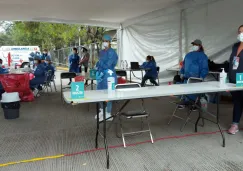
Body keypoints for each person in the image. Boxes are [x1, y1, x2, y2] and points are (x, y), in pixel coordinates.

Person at [179, 39, 209, 109]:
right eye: (193, 45)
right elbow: (184, 65)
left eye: (196, 45)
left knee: (193, 93)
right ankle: (185, 102)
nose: (194, 46)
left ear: (200, 46)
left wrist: (201, 76)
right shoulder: (188, 55)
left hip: (195, 78)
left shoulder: (203, 56)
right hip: (186, 78)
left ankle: (194, 104)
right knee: (186, 91)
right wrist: (182, 72)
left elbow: (204, 68)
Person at [95, 34, 118, 121]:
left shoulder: (112, 52)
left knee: (108, 95)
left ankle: (108, 113)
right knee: (99, 93)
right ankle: (102, 110)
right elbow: (100, 62)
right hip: (101, 76)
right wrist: (96, 65)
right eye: (103, 40)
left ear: (109, 42)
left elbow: (108, 65)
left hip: (109, 76)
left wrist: (100, 63)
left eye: (106, 41)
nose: (105, 42)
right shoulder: (101, 52)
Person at [228, 25, 243, 134]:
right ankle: (235, 124)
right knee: (237, 102)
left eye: (242, 31)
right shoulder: (235, 46)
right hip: (235, 78)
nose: (240, 34)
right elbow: (233, 63)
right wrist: (229, 78)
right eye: (239, 32)